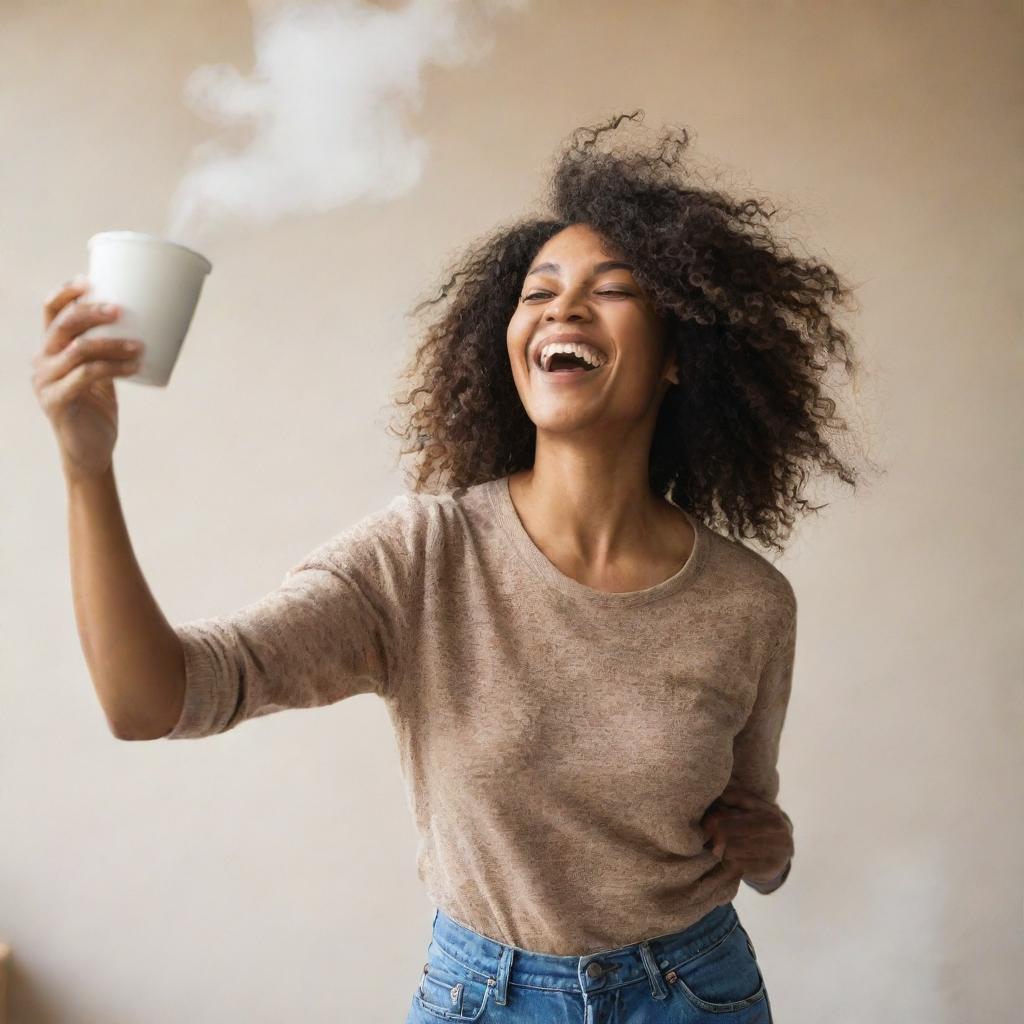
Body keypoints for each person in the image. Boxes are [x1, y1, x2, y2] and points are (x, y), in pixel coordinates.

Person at [31, 112, 867, 1023]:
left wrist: (774, 849)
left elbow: (758, 834)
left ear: (677, 358)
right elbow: (153, 699)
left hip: (694, 992)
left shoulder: (749, 601)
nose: (561, 308)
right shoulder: (423, 558)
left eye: (611, 289)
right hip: (487, 998)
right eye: (537, 291)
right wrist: (87, 468)